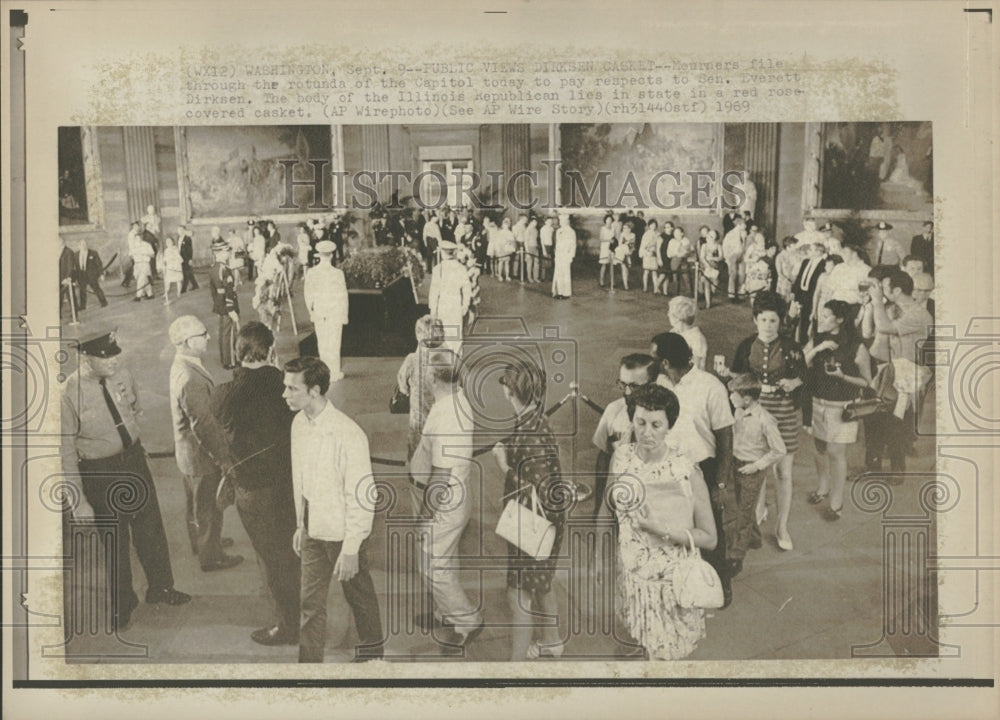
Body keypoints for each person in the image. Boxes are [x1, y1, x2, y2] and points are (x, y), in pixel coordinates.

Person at [61, 330, 191, 630]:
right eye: (104, 357)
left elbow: (133, 406)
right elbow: (65, 451)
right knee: (115, 539)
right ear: (85, 357)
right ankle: (123, 602)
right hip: (100, 471)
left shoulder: (122, 373)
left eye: (114, 354)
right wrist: (78, 501)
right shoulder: (68, 393)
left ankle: (161, 587)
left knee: (150, 527)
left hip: (133, 460)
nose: (113, 361)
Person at [599, 384, 718, 660]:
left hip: (669, 585)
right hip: (630, 574)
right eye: (640, 422)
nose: (647, 432)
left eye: (656, 424)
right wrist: (599, 556)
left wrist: (660, 530)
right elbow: (606, 510)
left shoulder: (684, 470)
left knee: (665, 661)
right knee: (638, 636)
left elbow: (710, 538)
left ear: (669, 426)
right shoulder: (621, 457)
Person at [284, 356, 383, 663]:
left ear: (314, 390)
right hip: (313, 528)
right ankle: (309, 670)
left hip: (343, 533)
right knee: (310, 605)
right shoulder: (298, 423)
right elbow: (301, 479)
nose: (284, 395)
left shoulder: (348, 434)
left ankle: (373, 658)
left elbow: (364, 496)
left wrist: (352, 548)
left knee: (359, 597)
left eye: (291, 388)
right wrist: (301, 524)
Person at [213, 322, 300, 646]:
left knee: (271, 557)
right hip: (290, 483)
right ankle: (303, 609)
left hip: (253, 489)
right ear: (271, 350)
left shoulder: (225, 394)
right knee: (291, 548)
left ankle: (289, 625)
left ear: (238, 354)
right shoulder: (286, 386)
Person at [492, 361, 570, 660]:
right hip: (551, 518)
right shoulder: (536, 419)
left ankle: (516, 663)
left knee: (518, 592)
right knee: (542, 580)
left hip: (532, 520)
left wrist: (503, 463)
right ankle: (551, 639)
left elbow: (531, 486)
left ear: (509, 391)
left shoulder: (530, 431)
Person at [410, 350, 485, 651]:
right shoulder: (457, 399)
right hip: (451, 495)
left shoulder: (447, 417)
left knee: (433, 566)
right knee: (445, 558)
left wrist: (424, 516)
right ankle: (445, 613)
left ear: (430, 377)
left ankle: (467, 620)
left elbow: (440, 476)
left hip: (442, 500)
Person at [652, 333, 734, 605]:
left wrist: (720, 484)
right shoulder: (661, 383)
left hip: (703, 468)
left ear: (665, 361)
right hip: (669, 468)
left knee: (711, 531)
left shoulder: (710, 387)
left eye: (654, 356)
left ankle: (720, 587)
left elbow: (725, 437)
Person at [727, 291, 806, 551]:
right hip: (755, 414)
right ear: (755, 320)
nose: (769, 326)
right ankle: (756, 517)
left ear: (781, 322)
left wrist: (795, 382)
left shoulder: (792, 347)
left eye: (774, 321)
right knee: (755, 469)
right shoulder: (745, 346)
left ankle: (782, 526)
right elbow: (736, 381)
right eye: (764, 320)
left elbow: (804, 377)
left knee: (783, 472)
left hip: (783, 412)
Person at [168, 315, 243, 572]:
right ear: (189, 341)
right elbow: (203, 424)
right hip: (201, 454)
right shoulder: (191, 378)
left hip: (187, 452)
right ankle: (211, 557)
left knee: (195, 504)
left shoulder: (181, 365)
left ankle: (200, 543)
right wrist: (223, 457)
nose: (209, 337)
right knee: (209, 506)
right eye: (203, 334)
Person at [803, 300, 873, 520]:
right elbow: (800, 364)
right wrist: (817, 349)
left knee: (836, 453)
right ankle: (823, 487)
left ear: (839, 320)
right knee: (818, 448)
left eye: (826, 316)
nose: (820, 319)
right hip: (816, 403)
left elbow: (867, 382)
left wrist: (842, 376)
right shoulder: (817, 338)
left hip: (841, 408)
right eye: (820, 315)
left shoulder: (856, 346)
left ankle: (837, 502)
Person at [725, 374, 786, 576]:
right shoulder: (738, 412)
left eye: (733, 394)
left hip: (752, 469)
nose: (731, 397)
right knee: (744, 504)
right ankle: (754, 537)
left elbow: (779, 450)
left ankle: (736, 556)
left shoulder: (765, 420)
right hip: (736, 464)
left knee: (743, 512)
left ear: (747, 398)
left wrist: (757, 466)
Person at [592, 353, 658, 518]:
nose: (627, 392)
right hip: (619, 499)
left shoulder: (665, 417)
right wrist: (599, 505)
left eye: (634, 386)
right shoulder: (613, 410)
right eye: (623, 384)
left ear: (653, 384)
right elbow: (604, 458)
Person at [396, 315, 446, 468]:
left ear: (419, 335)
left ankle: (414, 468)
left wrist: (406, 391)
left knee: (416, 442)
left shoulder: (412, 359)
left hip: (418, 413)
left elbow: (402, 383)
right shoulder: (446, 359)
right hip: (440, 412)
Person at [304, 240, 349, 381]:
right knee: (334, 342)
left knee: (322, 342)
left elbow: (308, 295)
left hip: (319, 311)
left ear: (319, 255)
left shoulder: (312, 273)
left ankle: (325, 372)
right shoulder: (337, 273)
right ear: (331, 255)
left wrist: (311, 311)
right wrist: (344, 315)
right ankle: (334, 372)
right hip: (334, 312)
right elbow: (343, 295)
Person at [428, 239, 472, 355]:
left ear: (442, 253)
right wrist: (465, 306)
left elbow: (434, 291)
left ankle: (443, 362)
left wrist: (432, 309)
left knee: (442, 334)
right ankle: (457, 363)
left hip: (442, 304)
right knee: (456, 335)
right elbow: (467, 289)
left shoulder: (438, 269)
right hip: (456, 304)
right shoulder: (461, 268)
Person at [209, 237, 240, 369]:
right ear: (219, 253)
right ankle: (231, 361)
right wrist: (231, 309)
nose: (228, 253)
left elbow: (213, 290)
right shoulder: (224, 269)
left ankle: (225, 359)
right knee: (230, 332)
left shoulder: (213, 268)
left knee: (223, 333)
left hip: (219, 304)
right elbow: (228, 290)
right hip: (228, 305)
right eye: (226, 251)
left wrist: (218, 304)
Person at [790, 242, 828, 345]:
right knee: (797, 317)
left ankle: (806, 342)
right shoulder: (806, 262)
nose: (809, 252)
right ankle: (796, 340)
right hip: (801, 293)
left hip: (811, 295)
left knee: (808, 318)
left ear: (819, 252)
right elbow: (799, 277)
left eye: (811, 250)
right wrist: (794, 291)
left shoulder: (823, 264)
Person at [668, 296, 708, 371]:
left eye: (670, 312)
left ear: (678, 317)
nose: (668, 315)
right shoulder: (673, 332)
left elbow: (696, 368)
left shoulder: (696, 338)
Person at [75, 240, 108, 310]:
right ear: (79, 246)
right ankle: (82, 306)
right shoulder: (76, 255)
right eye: (81, 245)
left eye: (84, 244)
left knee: (96, 289)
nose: (83, 246)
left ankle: (104, 302)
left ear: (86, 245)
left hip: (91, 275)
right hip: (81, 276)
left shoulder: (93, 253)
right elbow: (75, 267)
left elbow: (99, 264)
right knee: (82, 291)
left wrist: (101, 274)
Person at [551, 212, 576, 299]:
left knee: (565, 274)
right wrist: (556, 254)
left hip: (566, 255)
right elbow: (557, 243)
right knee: (558, 273)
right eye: (560, 220)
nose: (561, 222)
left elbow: (573, 245)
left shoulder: (571, 232)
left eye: (563, 220)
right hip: (559, 255)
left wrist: (571, 256)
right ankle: (558, 292)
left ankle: (566, 293)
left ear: (567, 221)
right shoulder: (558, 231)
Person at [722, 216, 747, 299]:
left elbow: (744, 245)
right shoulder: (731, 234)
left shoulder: (744, 233)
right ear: (739, 224)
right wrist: (728, 258)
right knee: (733, 275)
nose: (745, 225)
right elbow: (725, 247)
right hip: (733, 256)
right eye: (744, 224)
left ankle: (740, 294)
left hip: (742, 256)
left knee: (742, 275)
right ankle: (732, 294)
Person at [698, 229, 722, 308]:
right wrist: (706, 264)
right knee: (706, 284)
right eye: (708, 236)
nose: (709, 237)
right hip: (706, 266)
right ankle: (708, 303)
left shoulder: (718, 246)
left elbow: (721, 257)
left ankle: (711, 294)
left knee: (714, 284)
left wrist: (713, 259)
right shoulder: (704, 246)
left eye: (711, 236)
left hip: (715, 267)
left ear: (715, 238)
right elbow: (702, 257)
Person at [131, 228, 156, 302]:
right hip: (137, 264)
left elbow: (153, 255)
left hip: (145, 264)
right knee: (143, 279)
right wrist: (136, 256)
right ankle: (150, 294)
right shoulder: (134, 246)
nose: (138, 239)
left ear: (141, 237)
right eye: (136, 238)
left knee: (141, 280)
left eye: (139, 238)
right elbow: (131, 255)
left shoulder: (147, 245)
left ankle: (138, 296)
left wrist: (145, 254)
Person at [640, 219, 662, 293]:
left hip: (654, 254)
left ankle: (655, 288)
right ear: (649, 225)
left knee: (654, 272)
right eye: (652, 225)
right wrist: (649, 248)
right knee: (646, 271)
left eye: (654, 225)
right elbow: (644, 245)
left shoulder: (658, 234)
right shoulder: (646, 234)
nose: (653, 226)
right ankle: (645, 287)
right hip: (647, 254)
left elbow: (659, 245)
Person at [162, 236, 184, 304]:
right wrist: (164, 264)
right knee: (167, 281)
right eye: (167, 242)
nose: (168, 243)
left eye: (169, 241)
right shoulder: (166, 250)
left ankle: (178, 293)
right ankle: (166, 293)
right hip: (169, 267)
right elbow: (165, 258)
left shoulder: (175, 249)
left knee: (178, 280)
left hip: (176, 266)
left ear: (172, 242)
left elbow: (177, 257)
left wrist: (173, 259)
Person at [59, 242, 79, 318]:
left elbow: (70, 266)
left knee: (71, 296)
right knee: (59, 297)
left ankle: (74, 314)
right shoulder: (57, 251)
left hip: (67, 279)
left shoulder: (68, 251)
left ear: (62, 243)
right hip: (59, 278)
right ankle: (59, 314)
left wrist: (68, 277)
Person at [178, 225, 199, 293]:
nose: (179, 231)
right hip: (181, 258)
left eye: (181, 230)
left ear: (184, 230)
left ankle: (183, 289)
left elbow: (190, 250)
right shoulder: (178, 238)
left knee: (185, 273)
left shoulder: (187, 238)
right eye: (178, 230)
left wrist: (190, 259)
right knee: (188, 272)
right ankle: (195, 285)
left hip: (186, 258)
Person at [598, 213, 616, 288]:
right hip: (604, 248)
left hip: (611, 248)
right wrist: (609, 240)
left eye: (610, 220)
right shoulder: (603, 228)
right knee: (604, 264)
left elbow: (614, 239)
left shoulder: (613, 229)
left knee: (612, 265)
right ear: (605, 221)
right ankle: (601, 280)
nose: (609, 221)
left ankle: (612, 281)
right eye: (608, 220)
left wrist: (613, 244)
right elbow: (601, 239)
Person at [523, 216, 540, 283]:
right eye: (534, 222)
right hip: (529, 247)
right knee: (529, 263)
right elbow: (526, 242)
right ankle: (529, 278)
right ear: (531, 222)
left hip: (535, 247)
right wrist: (527, 252)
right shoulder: (527, 230)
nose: (536, 223)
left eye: (536, 222)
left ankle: (535, 277)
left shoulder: (535, 230)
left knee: (536, 263)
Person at [538, 215, 555, 281]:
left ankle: (549, 277)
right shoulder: (543, 229)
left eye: (551, 221)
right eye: (548, 221)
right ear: (545, 222)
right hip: (545, 246)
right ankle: (543, 277)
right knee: (544, 262)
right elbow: (542, 240)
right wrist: (543, 250)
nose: (550, 222)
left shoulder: (551, 229)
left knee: (550, 262)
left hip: (550, 246)